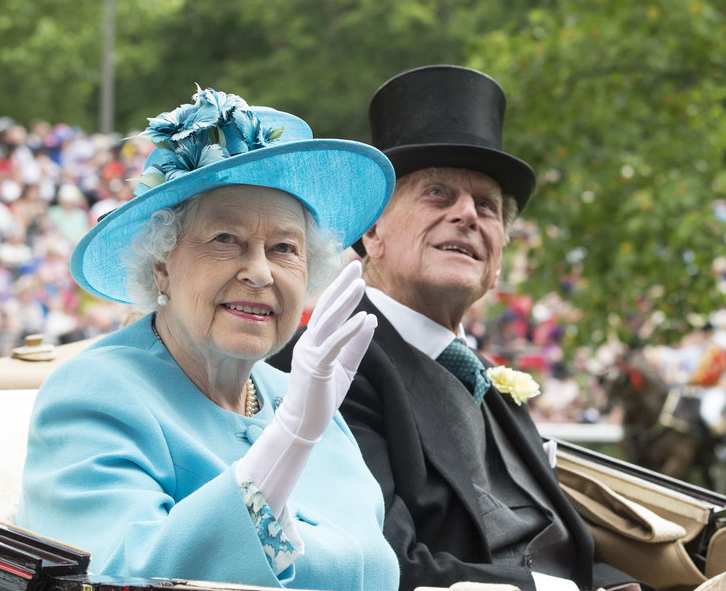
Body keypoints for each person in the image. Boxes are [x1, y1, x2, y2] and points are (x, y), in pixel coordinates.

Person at [17, 88, 401, 590]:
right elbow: (116, 576)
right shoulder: (92, 396)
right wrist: (288, 439)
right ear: (162, 268)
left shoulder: (302, 396)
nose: (261, 272)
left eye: (285, 248)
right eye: (226, 240)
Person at [271, 65, 635, 591]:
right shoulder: (324, 363)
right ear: (372, 231)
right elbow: (379, 562)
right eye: (438, 194)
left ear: (500, 259)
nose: (468, 214)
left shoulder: (486, 378)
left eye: (487, 206)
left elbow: (564, 548)